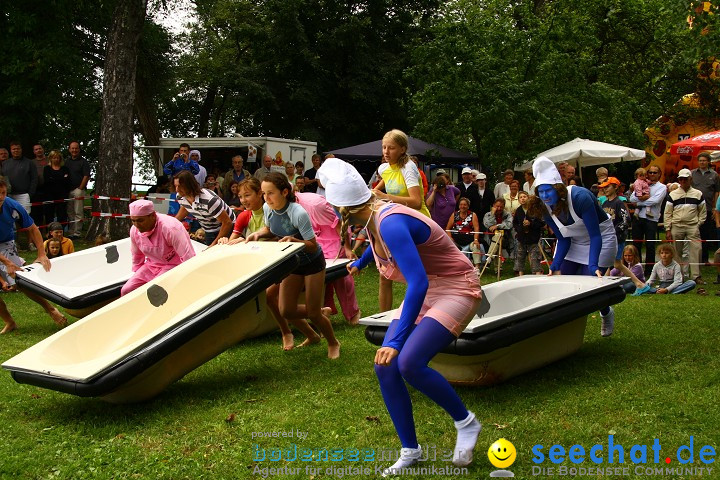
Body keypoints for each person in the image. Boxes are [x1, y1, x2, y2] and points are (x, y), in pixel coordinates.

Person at [318, 158, 483, 473]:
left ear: (344, 210)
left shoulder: (389, 220)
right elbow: (388, 247)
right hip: (430, 289)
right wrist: (363, 260)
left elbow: (417, 280)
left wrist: (393, 340)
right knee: (386, 368)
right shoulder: (374, 216)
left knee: (407, 362)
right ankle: (411, 450)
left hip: (456, 289)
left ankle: (466, 422)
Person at [245, 172, 340, 359]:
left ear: (285, 192)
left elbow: (313, 246)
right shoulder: (267, 208)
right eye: (264, 194)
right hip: (293, 262)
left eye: (270, 193)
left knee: (312, 313)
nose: (266, 198)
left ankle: (333, 342)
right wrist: (259, 234)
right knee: (286, 310)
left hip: (312, 262)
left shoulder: (298, 213)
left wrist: (295, 241)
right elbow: (270, 229)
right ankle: (319, 314)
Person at [526, 157, 618, 337]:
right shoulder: (543, 207)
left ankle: (606, 312)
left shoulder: (579, 197)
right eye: (541, 192)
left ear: (557, 188)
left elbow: (595, 235)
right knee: (564, 284)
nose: (545, 196)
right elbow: (564, 239)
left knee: (588, 286)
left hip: (601, 238)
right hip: (573, 240)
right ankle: (567, 330)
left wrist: (593, 266)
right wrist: (555, 265)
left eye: (548, 191)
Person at [372, 129, 430, 313]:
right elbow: (376, 192)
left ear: (403, 149)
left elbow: (416, 202)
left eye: (391, 148)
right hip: (396, 224)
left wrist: (385, 197)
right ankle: (382, 320)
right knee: (385, 275)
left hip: (417, 223)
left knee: (416, 277)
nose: (386, 152)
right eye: (384, 147)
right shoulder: (384, 169)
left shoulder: (409, 168)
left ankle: (421, 315)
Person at [0, 180, 67, 333]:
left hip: (5, 242)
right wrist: (5, 262)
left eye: (3, 193)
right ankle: (10, 322)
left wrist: (42, 253)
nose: (0, 197)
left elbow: (33, 228)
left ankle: (50, 309)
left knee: (20, 281)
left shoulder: (13, 206)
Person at [296, 191, 361, 326]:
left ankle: (352, 312)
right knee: (320, 276)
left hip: (335, 238)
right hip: (316, 239)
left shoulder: (315, 204)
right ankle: (327, 309)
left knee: (340, 275)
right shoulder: (282, 207)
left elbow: (338, 223)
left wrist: (347, 248)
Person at [121, 200, 196, 296]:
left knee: (154, 291)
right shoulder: (134, 230)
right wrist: (137, 275)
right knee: (126, 290)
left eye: (140, 220)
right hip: (152, 265)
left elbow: (187, 255)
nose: (136, 225)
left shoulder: (170, 228)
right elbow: (137, 255)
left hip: (174, 266)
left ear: (152, 216)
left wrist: (189, 279)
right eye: (133, 220)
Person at [664, 168, 706, 285]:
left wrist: (698, 224)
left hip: (693, 225)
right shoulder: (673, 194)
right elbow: (667, 213)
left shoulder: (698, 194)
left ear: (690, 179)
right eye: (680, 179)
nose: (682, 181)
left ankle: (696, 276)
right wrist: (668, 228)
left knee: (696, 250)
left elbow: (703, 212)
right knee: (676, 251)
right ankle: (679, 277)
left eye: (685, 179)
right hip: (677, 225)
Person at [174, 170, 235, 246]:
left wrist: (213, 245)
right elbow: (186, 207)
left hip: (227, 227)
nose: (177, 190)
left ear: (189, 185)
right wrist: (172, 223)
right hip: (209, 229)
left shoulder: (209, 200)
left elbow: (227, 223)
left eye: (180, 186)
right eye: (175, 186)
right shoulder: (180, 196)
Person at [629, 164, 665, 277]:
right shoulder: (640, 182)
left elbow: (655, 201)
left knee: (650, 245)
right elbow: (632, 198)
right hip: (638, 218)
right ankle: (636, 268)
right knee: (636, 244)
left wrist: (639, 203)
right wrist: (639, 200)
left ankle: (649, 271)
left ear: (659, 174)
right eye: (650, 172)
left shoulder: (662, 187)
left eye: (655, 172)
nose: (652, 174)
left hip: (651, 218)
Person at [691, 152, 720, 267]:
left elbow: (716, 192)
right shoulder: (692, 173)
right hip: (693, 208)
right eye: (700, 160)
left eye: (704, 160)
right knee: (694, 233)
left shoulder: (715, 175)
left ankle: (705, 258)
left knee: (705, 234)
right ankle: (694, 259)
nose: (702, 162)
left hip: (707, 208)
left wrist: (714, 207)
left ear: (708, 161)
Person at [599, 177, 631, 268]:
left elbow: (626, 220)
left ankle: (636, 281)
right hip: (607, 238)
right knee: (610, 264)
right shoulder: (604, 204)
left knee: (616, 264)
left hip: (618, 238)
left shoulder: (619, 203)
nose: (605, 190)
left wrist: (614, 231)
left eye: (607, 187)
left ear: (616, 187)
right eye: (603, 188)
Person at [446, 197, 484, 267]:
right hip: (456, 239)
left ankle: (477, 267)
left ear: (468, 206)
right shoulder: (454, 215)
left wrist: (476, 240)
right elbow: (448, 229)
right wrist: (450, 238)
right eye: (461, 204)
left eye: (465, 205)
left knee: (475, 246)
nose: (462, 206)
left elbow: (476, 229)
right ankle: (452, 266)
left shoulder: (473, 215)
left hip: (469, 239)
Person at [513, 191, 544, 275]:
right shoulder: (518, 210)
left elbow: (541, 223)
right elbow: (515, 223)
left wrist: (531, 223)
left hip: (533, 237)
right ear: (518, 200)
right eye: (520, 197)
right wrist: (519, 229)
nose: (523, 199)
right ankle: (520, 274)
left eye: (524, 197)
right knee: (520, 257)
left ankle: (537, 274)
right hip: (522, 238)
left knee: (535, 257)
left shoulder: (534, 210)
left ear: (528, 198)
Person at [65, 141, 91, 238]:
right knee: (70, 212)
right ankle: (71, 232)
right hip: (69, 190)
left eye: (76, 148)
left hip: (78, 190)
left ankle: (77, 233)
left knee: (78, 211)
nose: (74, 150)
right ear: (69, 149)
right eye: (72, 148)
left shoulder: (83, 162)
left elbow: (86, 175)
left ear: (79, 149)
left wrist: (80, 188)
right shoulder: (67, 161)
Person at [31, 143, 49, 228]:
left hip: (49, 189)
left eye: (40, 148)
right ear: (34, 152)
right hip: (37, 190)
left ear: (43, 149)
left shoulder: (50, 160)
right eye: (36, 149)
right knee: (37, 212)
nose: (38, 150)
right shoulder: (31, 163)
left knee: (48, 212)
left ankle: (50, 232)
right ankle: (39, 232)